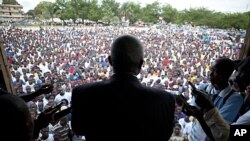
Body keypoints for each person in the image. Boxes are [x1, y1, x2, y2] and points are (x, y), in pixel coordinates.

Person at [71, 35, 176, 141]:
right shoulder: (165, 99)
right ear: (140, 64)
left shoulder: (82, 93)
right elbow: (164, 135)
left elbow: (78, 129)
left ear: (110, 61)